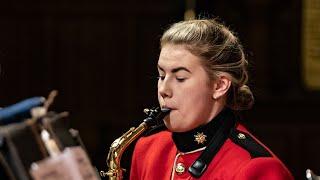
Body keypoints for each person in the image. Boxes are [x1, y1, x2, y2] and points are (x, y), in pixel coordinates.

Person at [130, 19, 293, 180]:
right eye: (162, 76)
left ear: (219, 86)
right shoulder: (147, 150)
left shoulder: (257, 168)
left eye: (180, 78)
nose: (163, 90)